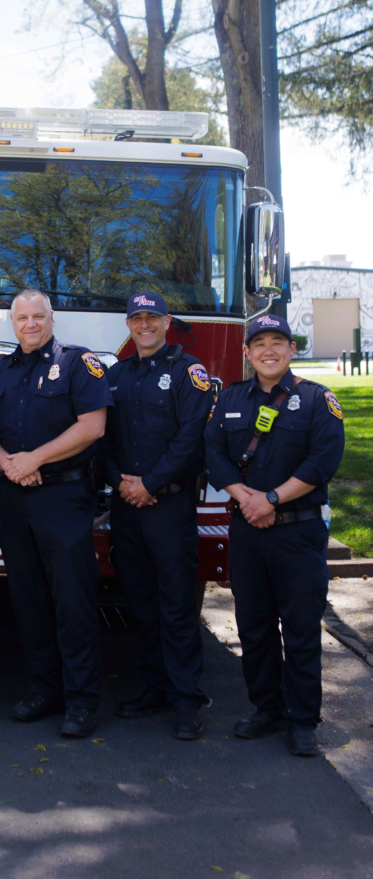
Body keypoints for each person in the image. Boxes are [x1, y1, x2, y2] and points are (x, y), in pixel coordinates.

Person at [205, 313, 344, 757]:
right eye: (259, 343)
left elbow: (322, 461)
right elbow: (213, 454)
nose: (268, 350)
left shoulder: (318, 400)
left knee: (301, 629)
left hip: (298, 532)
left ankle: (303, 720)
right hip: (248, 530)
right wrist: (246, 498)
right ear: (246, 353)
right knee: (254, 625)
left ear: (291, 349)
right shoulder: (229, 399)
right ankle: (267, 708)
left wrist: (271, 499)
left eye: (277, 343)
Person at [0, 289, 110, 738]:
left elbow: (92, 426)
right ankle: (42, 690)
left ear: (52, 318)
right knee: (28, 600)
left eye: (38, 316)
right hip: (15, 498)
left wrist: (35, 459)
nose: (29, 324)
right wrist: (10, 464)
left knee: (73, 602)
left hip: (63, 499)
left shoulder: (77, 363)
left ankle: (81, 701)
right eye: (21, 317)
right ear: (11, 323)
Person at [104, 291, 213, 739]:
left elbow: (191, 439)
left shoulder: (190, 373)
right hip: (126, 506)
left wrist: (148, 484)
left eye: (152, 317)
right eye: (137, 319)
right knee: (142, 603)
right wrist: (121, 483)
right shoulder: (116, 375)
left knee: (177, 603)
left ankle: (187, 701)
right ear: (128, 325)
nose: (144, 325)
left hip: (168, 504)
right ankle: (154, 689)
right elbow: (100, 439)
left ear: (167, 321)